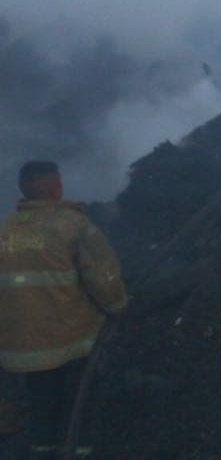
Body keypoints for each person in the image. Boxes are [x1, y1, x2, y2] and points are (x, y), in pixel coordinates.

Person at [0, 161, 128, 458]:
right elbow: (104, 280)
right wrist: (119, 308)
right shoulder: (73, 225)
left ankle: (40, 452)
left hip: (20, 350)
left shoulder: (5, 230)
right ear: (56, 187)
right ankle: (79, 452)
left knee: (42, 412)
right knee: (78, 410)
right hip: (70, 342)